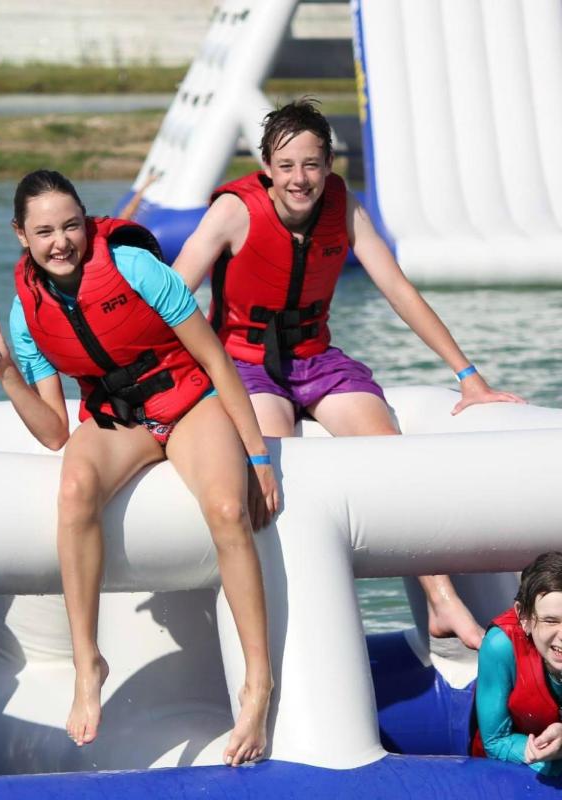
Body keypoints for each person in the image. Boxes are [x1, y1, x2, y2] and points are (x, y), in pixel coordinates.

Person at [0, 169, 276, 766]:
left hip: (188, 400)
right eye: (44, 231)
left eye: (70, 225)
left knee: (228, 510)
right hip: (121, 419)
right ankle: (87, 661)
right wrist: (6, 375)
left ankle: (257, 682)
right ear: (20, 235)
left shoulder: (137, 269)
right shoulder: (27, 315)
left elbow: (215, 359)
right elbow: (52, 431)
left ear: (87, 222)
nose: (60, 242)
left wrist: (257, 455)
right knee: (74, 488)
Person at [173, 99, 524, 651]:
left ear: (329, 166)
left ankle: (442, 601)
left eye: (312, 164)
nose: (300, 178)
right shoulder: (233, 213)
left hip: (316, 358)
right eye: (286, 166)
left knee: (389, 454)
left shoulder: (345, 207)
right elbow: (170, 298)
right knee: (278, 468)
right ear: (266, 167)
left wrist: (468, 375)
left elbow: (399, 291)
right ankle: (297, 621)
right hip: (245, 364)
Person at [472, 552, 562, 776]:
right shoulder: (501, 645)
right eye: (551, 621)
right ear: (524, 617)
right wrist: (543, 751)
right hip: (501, 773)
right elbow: (495, 740)